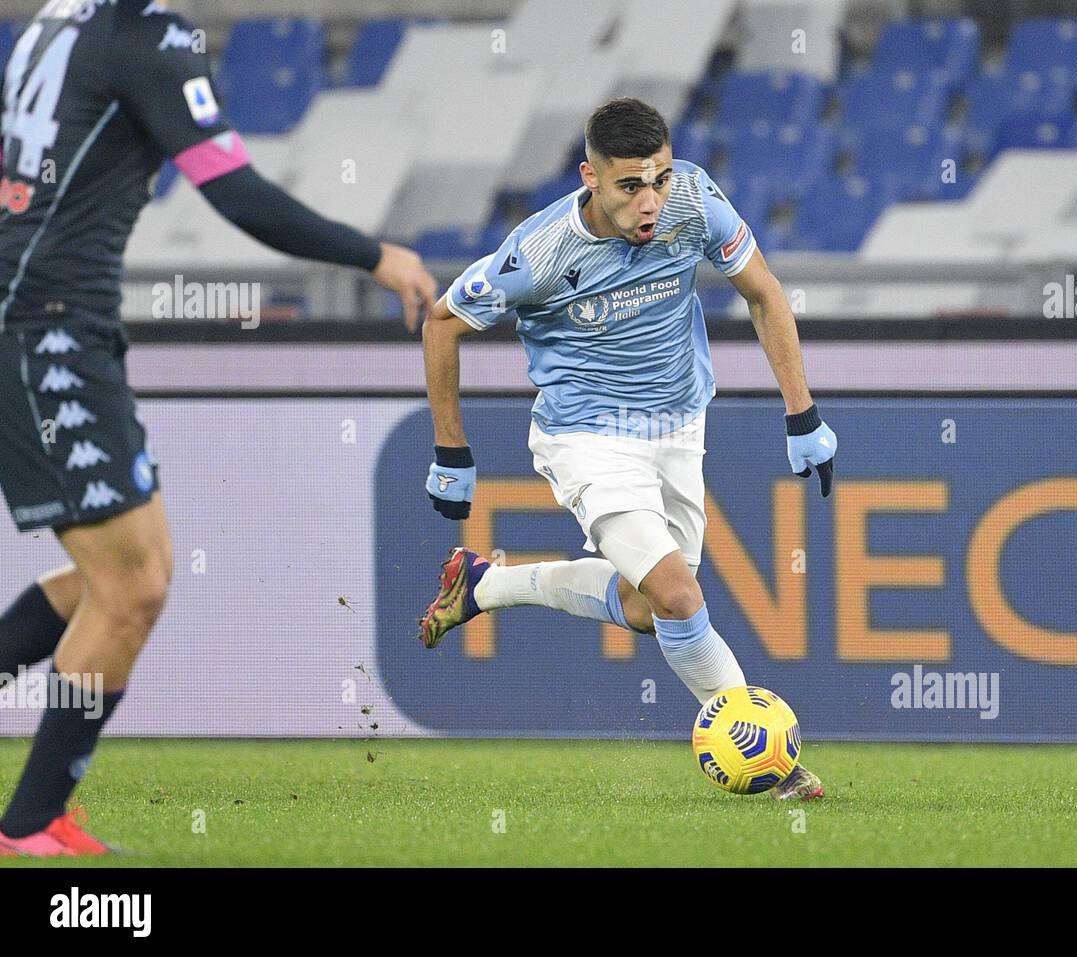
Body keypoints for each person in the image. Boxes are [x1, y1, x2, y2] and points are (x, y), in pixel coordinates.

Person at [0, 0, 437, 856]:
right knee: (133, 588)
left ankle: (38, 818)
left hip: (43, 320)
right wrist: (372, 253)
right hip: (46, 329)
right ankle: (29, 825)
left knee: (131, 572)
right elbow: (233, 191)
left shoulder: (54, 19)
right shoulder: (151, 35)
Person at [418, 98, 836, 800]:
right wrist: (451, 452)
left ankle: (484, 584)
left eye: (661, 179)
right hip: (586, 437)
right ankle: (773, 765)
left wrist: (803, 414)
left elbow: (764, 294)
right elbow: (441, 323)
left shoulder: (695, 200)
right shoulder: (538, 252)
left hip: (678, 429)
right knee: (678, 593)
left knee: (649, 609)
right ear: (590, 177)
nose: (652, 202)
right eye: (631, 186)